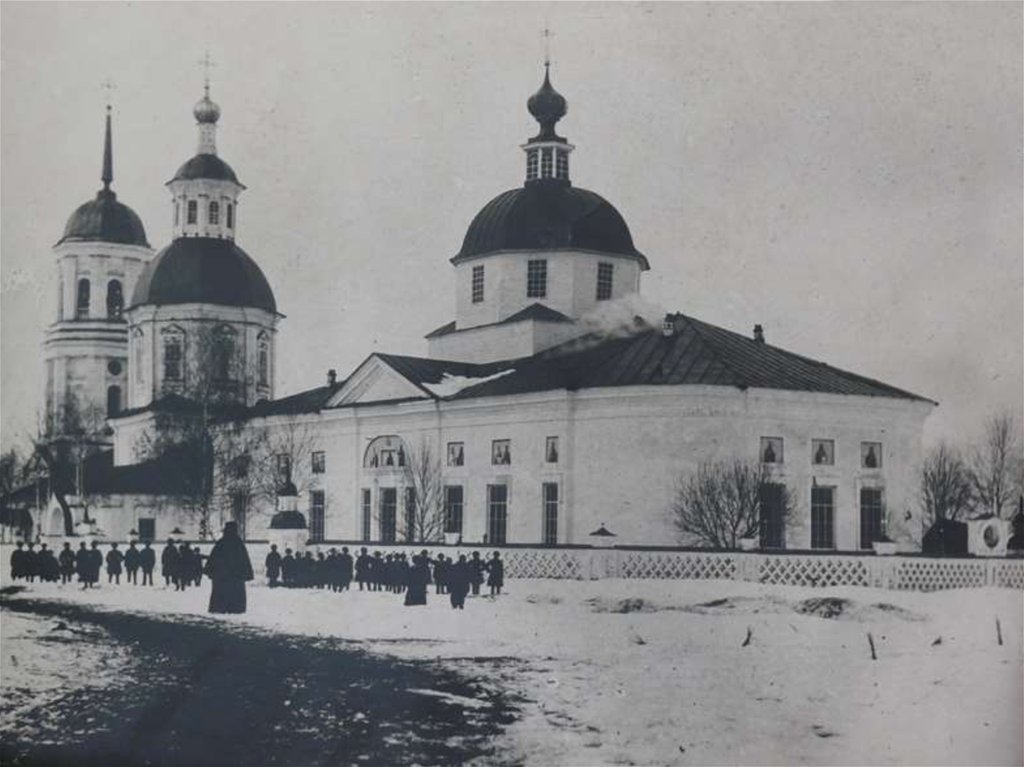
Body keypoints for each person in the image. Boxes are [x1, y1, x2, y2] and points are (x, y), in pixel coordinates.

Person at [204, 521, 254, 614]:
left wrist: (210, 571)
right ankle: (235, 608)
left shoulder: (221, 543)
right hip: (235, 576)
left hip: (221, 576)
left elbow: (213, 559)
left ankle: (219, 607)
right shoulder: (238, 544)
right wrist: (246, 574)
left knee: (220, 593)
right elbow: (244, 560)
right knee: (235, 593)